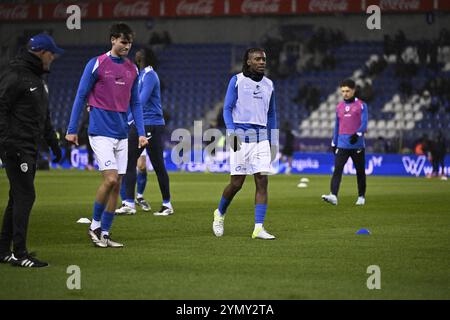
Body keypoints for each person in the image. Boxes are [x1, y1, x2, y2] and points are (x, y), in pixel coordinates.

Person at [65, 23, 148, 248]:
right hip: (100, 131)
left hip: (122, 133)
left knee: (117, 184)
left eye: (129, 43)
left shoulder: (132, 69)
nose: (126, 46)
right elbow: (81, 95)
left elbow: (136, 102)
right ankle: (94, 226)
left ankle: (106, 233)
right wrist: (72, 129)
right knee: (110, 179)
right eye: (123, 42)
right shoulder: (97, 63)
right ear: (113, 40)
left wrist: (141, 132)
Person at [0, 33, 63, 267]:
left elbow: (43, 117)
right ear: (41, 53)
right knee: (26, 195)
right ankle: (20, 253)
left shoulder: (37, 79)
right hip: (17, 146)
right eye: (51, 53)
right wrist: (7, 143)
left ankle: (4, 249)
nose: (54, 57)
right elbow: (2, 108)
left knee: (16, 196)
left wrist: (54, 143)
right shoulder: (16, 75)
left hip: (28, 146)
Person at [212, 48, 278, 240]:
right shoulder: (237, 80)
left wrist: (272, 139)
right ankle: (219, 213)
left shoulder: (269, 85)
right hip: (240, 138)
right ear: (248, 62)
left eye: (264, 59)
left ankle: (258, 228)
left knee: (262, 181)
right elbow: (227, 108)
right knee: (236, 184)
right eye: (257, 59)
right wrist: (232, 131)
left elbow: (271, 114)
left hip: (262, 140)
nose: (262, 62)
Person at [115, 47, 173, 216]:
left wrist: (127, 120)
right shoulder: (140, 75)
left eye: (139, 53)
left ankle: (129, 203)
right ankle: (166, 204)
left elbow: (140, 101)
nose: (136, 54)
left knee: (130, 161)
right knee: (156, 164)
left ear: (144, 58)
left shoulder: (150, 75)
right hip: (148, 123)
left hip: (148, 124)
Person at [321, 79, 368, 206]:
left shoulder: (362, 105)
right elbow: (337, 126)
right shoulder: (339, 107)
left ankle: (361, 196)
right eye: (343, 91)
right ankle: (333, 195)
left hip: (357, 144)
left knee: (360, 171)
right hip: (342, 144)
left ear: (354, 90)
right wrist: (333, 142)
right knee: (337, 169)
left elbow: (364, 124)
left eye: (347, 91)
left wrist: (357, 134)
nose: (345, 94)